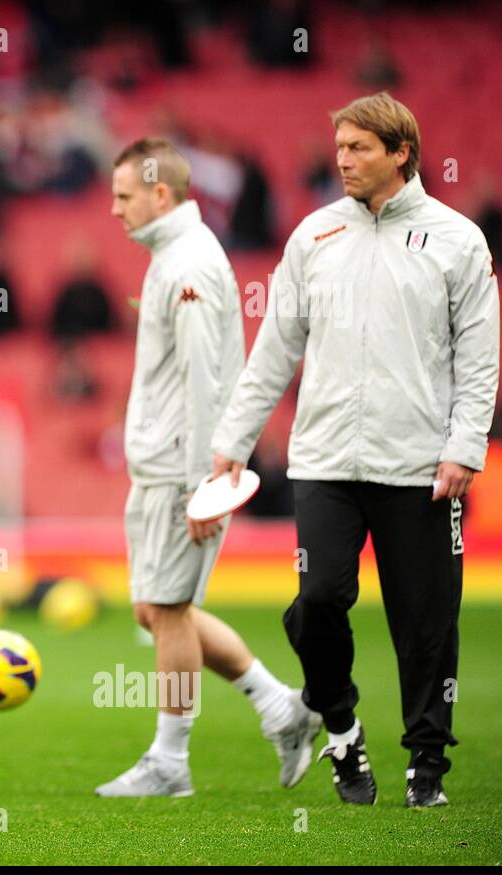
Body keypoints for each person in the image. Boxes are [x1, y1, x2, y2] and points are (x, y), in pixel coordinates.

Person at [210, 92, 500, 808]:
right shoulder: (312, 237)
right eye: (339, 146)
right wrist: (233, 442)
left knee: (426, 622)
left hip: (422, 465)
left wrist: (464, 447)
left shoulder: (458, 240)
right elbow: (274, 350)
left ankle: (426, 765)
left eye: (359, 147)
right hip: (325, 460)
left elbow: (481, 358)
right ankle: (339, 729)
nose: (342, 159)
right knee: (315, 602)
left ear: (402, 151)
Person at [96, 138, 319, 799]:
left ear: (161, 194)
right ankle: (282, 706)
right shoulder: (176, 255)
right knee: (155, 607)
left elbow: (206, 381)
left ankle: (170, 761)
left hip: (179, 470)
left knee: (166, 609)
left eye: (123, 196)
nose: (113, 210)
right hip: (165, 465)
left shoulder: (186, 263)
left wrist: (206, 484)